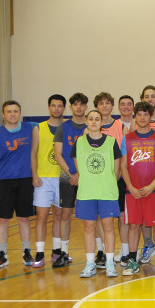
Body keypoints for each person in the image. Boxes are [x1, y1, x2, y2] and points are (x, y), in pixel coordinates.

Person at [72, 109, 122, 278]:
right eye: (91, 119)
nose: (93, 121)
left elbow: (116, 169)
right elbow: (78, 166)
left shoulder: (111, 142)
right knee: (89, 228)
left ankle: (109, 263)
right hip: (87, 192)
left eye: (97, 119)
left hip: (107, 192)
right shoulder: (79, 142)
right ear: (86, 122)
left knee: (108, 228)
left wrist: (108, 182)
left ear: (102, 123)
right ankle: (89, 263)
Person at [0, 100, 35, 269]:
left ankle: (26, 251)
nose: (12, 114)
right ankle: (2, 254)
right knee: (3, 219)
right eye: (9, 111)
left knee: (23, 218)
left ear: (20, 113)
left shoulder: (31, 128)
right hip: (3, 181)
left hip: (25, 180)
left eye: (15, 111)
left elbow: (54, 123)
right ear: (3, 114)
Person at [120, 102, 155, 276]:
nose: (142, 117)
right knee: (133, 225)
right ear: (135, 117)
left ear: (150, 116)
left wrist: (153, 185)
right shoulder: (127, 138)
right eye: (139, 114)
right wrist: (130, 187)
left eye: (145, 114)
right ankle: (132, 260)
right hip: (133, 191)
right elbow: (123, 166)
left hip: (154, 190)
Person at [29, 94, 66, 268]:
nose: (56, 109)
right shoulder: (39, 128)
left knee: (59, 215)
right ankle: (39, 252)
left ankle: (57, 250)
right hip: (43, 178)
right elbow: (33, 152)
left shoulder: (67, 127)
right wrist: (34, 175)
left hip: (62, 177)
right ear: (49, 107)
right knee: (42, 216)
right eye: (53, 105)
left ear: (64, 108)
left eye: (60, 106)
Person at [53, 92, 89, 267]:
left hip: (87, 177)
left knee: (92, 215)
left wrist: (81, 174)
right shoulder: (63, 127)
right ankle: (64, 252)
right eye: (75, 104)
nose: (79, 107)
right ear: (71, 107)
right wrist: (71, 173)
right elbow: (57, 154)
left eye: (82, 104)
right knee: (65, 214)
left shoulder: (91, 126)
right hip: (67, 176)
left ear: (86, 107)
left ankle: (99, 252)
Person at [95, 92, 127, 268]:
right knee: (101, 217)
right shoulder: (92, 128)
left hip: (117, 178)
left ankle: (125, 251)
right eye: (101, 103)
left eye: (107, 103)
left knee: (122, 215)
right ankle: (102, 251)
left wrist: (117, 175)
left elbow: (123, 155)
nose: (105, 106)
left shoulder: (121, 127)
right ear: (97, 106)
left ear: (112, 106)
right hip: (98, 180)